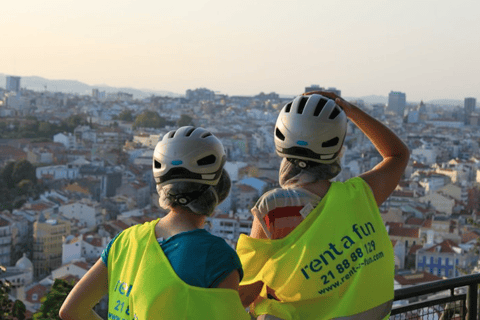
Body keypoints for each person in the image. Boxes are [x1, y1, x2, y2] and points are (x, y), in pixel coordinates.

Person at [237, 92, 410, 320]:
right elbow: (398, 154)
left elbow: (247, 290)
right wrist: (350, 111)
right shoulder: (360, 196)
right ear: (338, 150)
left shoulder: (275, 208)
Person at [60, 126, 250, 320]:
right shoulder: (216, 256)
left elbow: (71, 310)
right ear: (219, 188)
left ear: (162, 187)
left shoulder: (125, 240)